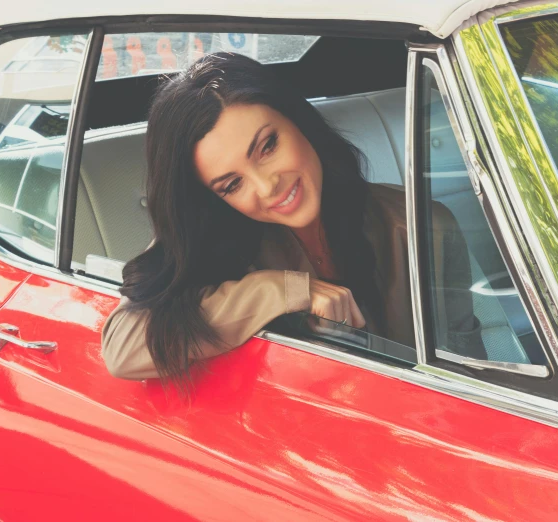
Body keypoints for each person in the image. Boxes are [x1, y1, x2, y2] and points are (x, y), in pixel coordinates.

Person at [102, 52, 485, 383]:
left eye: (267, 146)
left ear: (299, 121)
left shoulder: (425, 227)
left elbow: (470, 373)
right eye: (232, 184)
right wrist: (283, 290)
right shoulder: (209, 239)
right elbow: (123, 347)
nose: (267, 187)